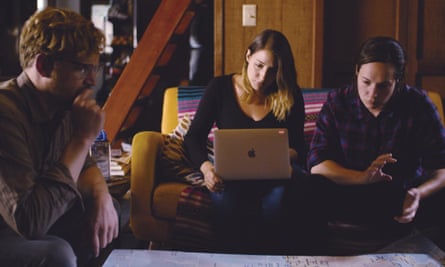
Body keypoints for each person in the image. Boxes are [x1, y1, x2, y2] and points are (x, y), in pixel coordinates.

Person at [0, 7, 119, 267]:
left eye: (94, 69)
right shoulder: (5, 112)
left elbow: (83, 166)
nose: (91, 81)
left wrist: (101, 193)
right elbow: (29, 221)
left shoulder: (62, 105)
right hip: (10, 229)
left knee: (116, 218)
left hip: (43, 217)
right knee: (57, 254)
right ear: (43, 65)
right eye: (82, 69)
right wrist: (82, 139)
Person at [308, 36, 445, 252]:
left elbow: (441, 169)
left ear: (398, 80)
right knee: (308, 186)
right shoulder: (338, 102)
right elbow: (317, 164)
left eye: (384, 86)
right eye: (366, 82)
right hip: (349, 191)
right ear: (356, 72)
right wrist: (361, 178)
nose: (372, 94)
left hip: (400, 195)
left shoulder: (419, 105)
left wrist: (419, 193)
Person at [184, 29, 308, 254]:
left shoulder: (290, 93)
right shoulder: (220, 88)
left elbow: (299, 147)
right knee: (226, 205)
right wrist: (207, 169)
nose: (263, 77)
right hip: (231, 177)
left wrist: (282, 158)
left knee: (278, 203)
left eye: (273, 71)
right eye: (259, 66)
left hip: (276, 176)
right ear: (248, 55)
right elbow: (193, 137)